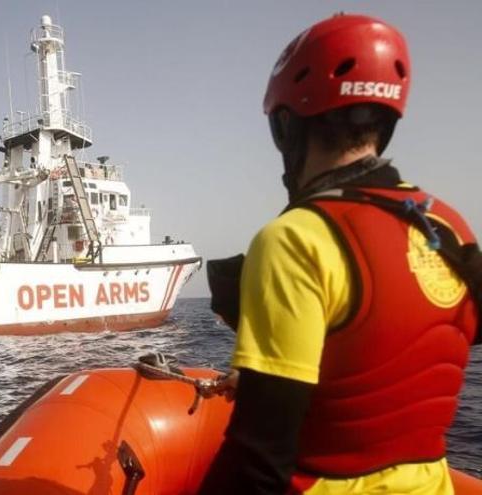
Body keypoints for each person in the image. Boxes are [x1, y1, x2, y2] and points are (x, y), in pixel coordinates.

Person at [201, 13, 481, 494]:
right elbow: (396, 349)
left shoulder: (294, 240)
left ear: (285, 127)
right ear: (386, 122)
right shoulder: (450, 227)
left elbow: (258, 460)